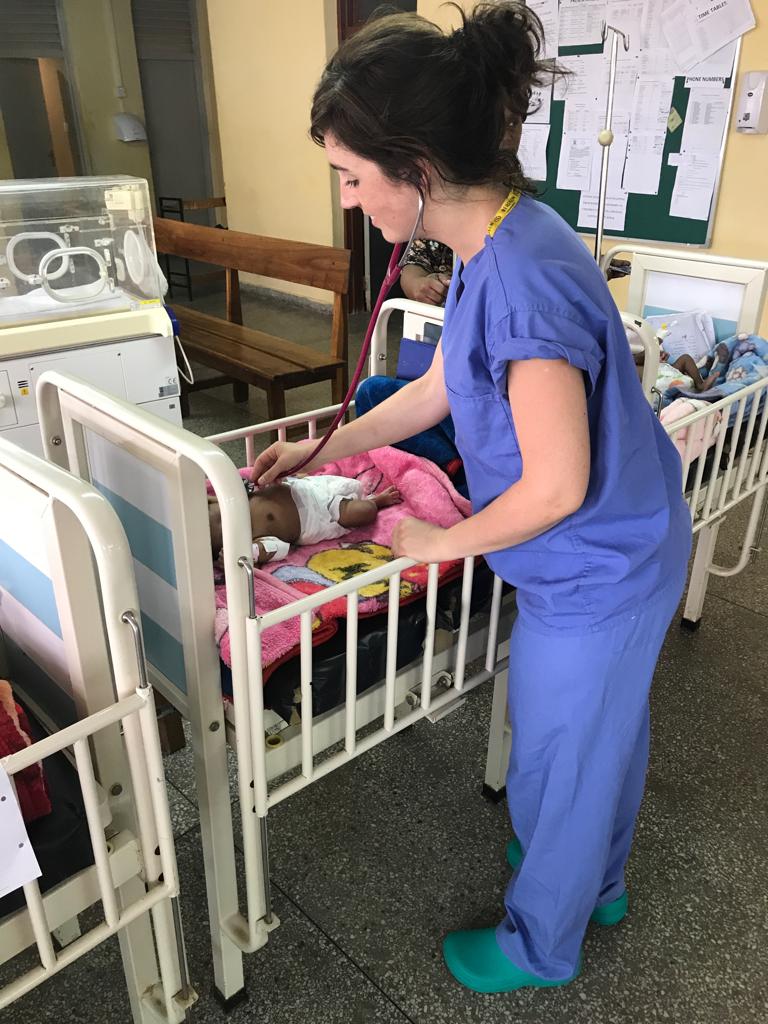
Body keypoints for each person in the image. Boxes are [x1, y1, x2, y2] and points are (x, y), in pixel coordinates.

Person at [252, 1, 692, 995]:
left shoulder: (526, 280)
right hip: (619, 539)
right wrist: (324, 441)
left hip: (601, 562)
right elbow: (440, 386)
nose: (352, 202)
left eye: (353, 179)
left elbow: (555, 485)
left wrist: (431, 543)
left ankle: (545, 941)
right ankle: (599, 878)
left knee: (557, 757)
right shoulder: (499, 237)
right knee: (599, 737)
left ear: (414, 165)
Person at [208, 477, 401, 563]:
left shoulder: (220, 502)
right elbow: (281, 548)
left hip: (302, 487)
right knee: (364, 511)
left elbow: (228, 489)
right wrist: (251, 553)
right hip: (319, 516)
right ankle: (376, 501)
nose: (227, 519)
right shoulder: (250, 540)